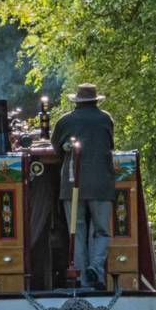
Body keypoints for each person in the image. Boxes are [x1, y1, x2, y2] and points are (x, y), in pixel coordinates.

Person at [51, 83, 115, 290]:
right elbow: (109, 145)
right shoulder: (106, 119)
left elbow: (56, 149)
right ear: (96, 100)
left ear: (76, 102)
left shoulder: (65, 121)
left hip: (72, 184)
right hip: (101, 185)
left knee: (76, 230)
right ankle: (96, 270)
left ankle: (79, 278)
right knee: (101, 231)